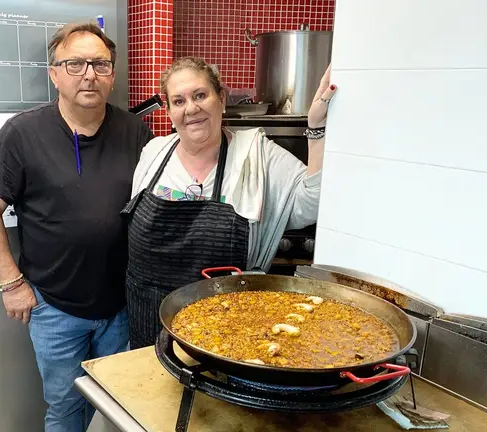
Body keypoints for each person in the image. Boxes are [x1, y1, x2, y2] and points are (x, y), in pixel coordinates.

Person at [0, 23, 154, 432]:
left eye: (100, 64)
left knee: (122, 407)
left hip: (122, 306)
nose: (89, 74)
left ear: (112, 75)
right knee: (66, 408)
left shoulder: (136, 132)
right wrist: (11, 284)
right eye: (75, 64)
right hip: (55, 307)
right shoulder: (22, 133)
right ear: (54, 74)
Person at [121, 56, 335, 349]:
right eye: (179, 101)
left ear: (221, 98)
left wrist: (317, 129)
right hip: (147, 321)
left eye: (200, 95)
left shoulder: (257, 154)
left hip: (225, 331)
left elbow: (312, 204)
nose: (191, 108)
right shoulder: (153, 153)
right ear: (169, 111)